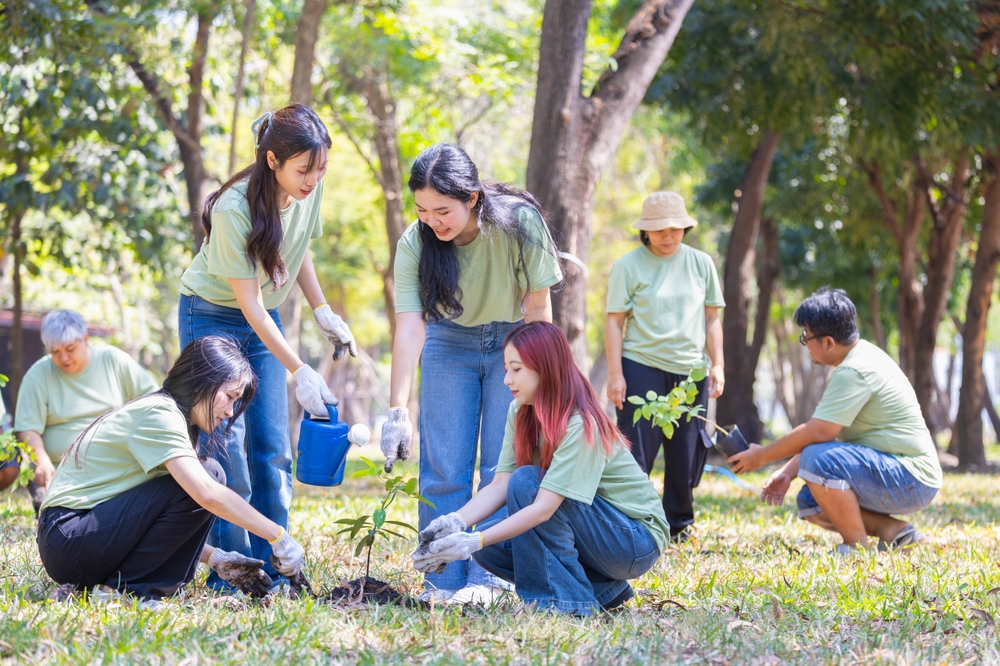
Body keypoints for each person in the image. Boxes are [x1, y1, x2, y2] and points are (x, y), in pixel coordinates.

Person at [178, 104, 356, 588]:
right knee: (226, 447)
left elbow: (297, 250)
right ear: (273, 160)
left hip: (264, 317)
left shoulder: (306, 190)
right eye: (304, 170)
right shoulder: (234, 208)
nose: (313, 180)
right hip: (211, 315)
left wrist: (323, 311)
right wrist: (300, 369)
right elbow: (249, 307)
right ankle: (234, 574)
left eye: (320, 170)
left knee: (273, 448)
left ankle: (280, 564)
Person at [380, 143, 563, 604]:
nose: (432, 221)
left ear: (473, 198)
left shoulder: (519, 224)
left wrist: (544, 378)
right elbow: (409, 327)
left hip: (514, 340)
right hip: (447, 342)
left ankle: (491, 582)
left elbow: (539, 307)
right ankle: (440, 580)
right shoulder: (414, 243)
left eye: (443, 210)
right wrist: (397, 409)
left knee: (502, 465)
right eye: (422, 210)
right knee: (444, 469)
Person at [410, 322, 670, 615]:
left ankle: (560, 604)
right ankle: (599, 591)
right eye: (506, 368)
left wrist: (471, 541)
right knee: (491, 545)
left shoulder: (581, 423)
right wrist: (456, 523)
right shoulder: (521, 411)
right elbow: (500, 485)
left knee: (526, 485)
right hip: (598, 533)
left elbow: (544, 508)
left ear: (545, 367)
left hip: (634, 540)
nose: (507, 379)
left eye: (516, 369)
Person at [37, 336, 306, 609]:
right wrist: (277, 536)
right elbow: (206, 493)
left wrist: (215, 558)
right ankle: (131, 592)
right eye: (229, 397)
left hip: (74, 544)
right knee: (209, 477)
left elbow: (144, 524)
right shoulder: (160, 413)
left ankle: (122, 589)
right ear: (201, 379)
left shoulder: (173, 418)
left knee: (206, 476)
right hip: (67, 537)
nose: (229, 411)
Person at [729, 288, 942, 553]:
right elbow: (826, 433)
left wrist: (761, 457)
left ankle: (855, 548)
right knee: (811, 500)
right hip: (904, 475)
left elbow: (819, 433)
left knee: (816, 461)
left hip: (911, 478)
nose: (805, 344)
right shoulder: (858, 359)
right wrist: (787, 473)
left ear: (828, 342)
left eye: (806, 337)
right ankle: (894, 531)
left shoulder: (854, 370)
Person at [605, 191, 725, 542]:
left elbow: (712, 317)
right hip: (641, 365)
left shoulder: (701, 263)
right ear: (646, 231)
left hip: (690, 371)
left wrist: (718, 364)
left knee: (686, 452)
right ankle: (634, 522)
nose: (668, 236)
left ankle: (679, 524)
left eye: (675, 229)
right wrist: (616, 375)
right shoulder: (627, 266)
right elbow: (614, 322)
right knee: (636, 452)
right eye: (659, 231)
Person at [7, 310, 159, 500]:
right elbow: (28, 429)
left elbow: (155, 400)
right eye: (55, 352)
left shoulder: (114, 360)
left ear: (85, 339)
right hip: (60, 473)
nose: (63, 358)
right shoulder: (38, 375)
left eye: (70, 349)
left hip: (116, 468)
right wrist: (42, 462)